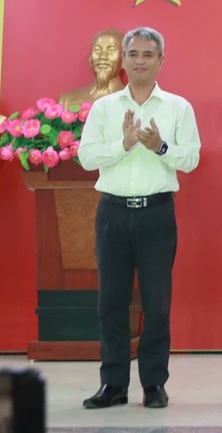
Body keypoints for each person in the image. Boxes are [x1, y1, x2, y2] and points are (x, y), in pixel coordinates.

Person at [79, 27, 201, 409]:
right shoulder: (104, 108)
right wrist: (125, 144)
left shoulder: (178, 107)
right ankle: (113, 385)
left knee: (156, 304)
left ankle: (153, 385)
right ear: (123, 60)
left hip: (156, 215)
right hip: (112, 214)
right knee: (111, 303)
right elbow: (87, 158)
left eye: (148, 55)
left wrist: (159, 146)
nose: (139, 61)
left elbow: (192, 158)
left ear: (160, 61)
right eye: (132, 54)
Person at [58, 29, 126, 108]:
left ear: (124, 60)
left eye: (111, 50)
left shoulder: (136, 101)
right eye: (97, 50)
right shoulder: (66, 100)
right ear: (90, 59)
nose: (102, 57)